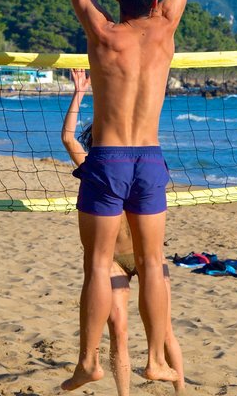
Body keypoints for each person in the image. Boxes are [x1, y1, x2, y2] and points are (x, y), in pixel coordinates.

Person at [62, 0, 237, 390]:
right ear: (155, 0)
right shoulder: (166, 26)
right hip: (149, 159)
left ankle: (89, 361)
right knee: (154, 262)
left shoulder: (103, 33)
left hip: (108, 158)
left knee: (99, 265)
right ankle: (156, 359)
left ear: (117, 0)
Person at [61, 68, 184, 395]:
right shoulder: (95, 166)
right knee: (122, 333)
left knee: (162, 332)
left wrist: (81, 93)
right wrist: (79, 93)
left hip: (129, 259)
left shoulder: (109, 169)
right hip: (118, 261)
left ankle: (181, 388)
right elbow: (69, 139)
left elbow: (69, 137)